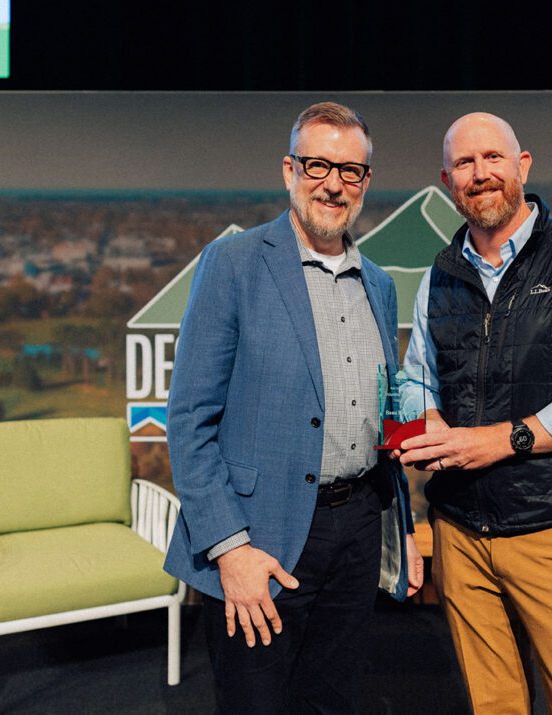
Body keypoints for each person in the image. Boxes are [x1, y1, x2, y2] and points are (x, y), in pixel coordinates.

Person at [163, 101, 423, 714]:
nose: (333, 184)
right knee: (258, 703)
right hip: (262, 538)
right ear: (289, 171)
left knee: (334, 701)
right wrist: (230, 547)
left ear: (365, 183)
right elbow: (188, 421)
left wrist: (401, 531)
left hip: (358, 529)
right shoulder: (233, 264)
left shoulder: (380, 285)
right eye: (318, 165)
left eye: (351, 171)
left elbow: (387, 419)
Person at [398, 112, 552, 714]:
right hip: (459, 533)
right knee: (494, 707)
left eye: (492, 158)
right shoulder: (440, 274)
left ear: (522, 166)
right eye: (464, 163)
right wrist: (424, 416)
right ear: (446, 179)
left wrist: (503, 440)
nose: (480, 174)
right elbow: (414, 379)